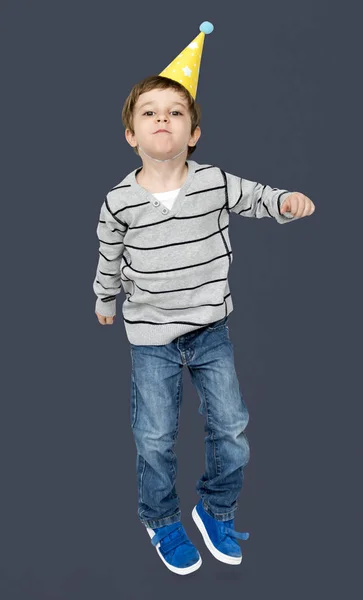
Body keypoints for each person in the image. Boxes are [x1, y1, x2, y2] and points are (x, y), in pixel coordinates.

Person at [93, 22, 315, 576]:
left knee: (232, 429)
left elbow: (257, 197)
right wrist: (105, 298)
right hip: (151, 337)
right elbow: (108, 254)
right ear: (130, 135)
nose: (162, 118)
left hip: (211, 328)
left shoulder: (214, 181)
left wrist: (285, 201)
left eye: (174, 111)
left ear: (193, 132)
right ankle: (162, 519)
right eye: (149, 112)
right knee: (155, 436)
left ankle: (215, 508)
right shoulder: (119, 201)